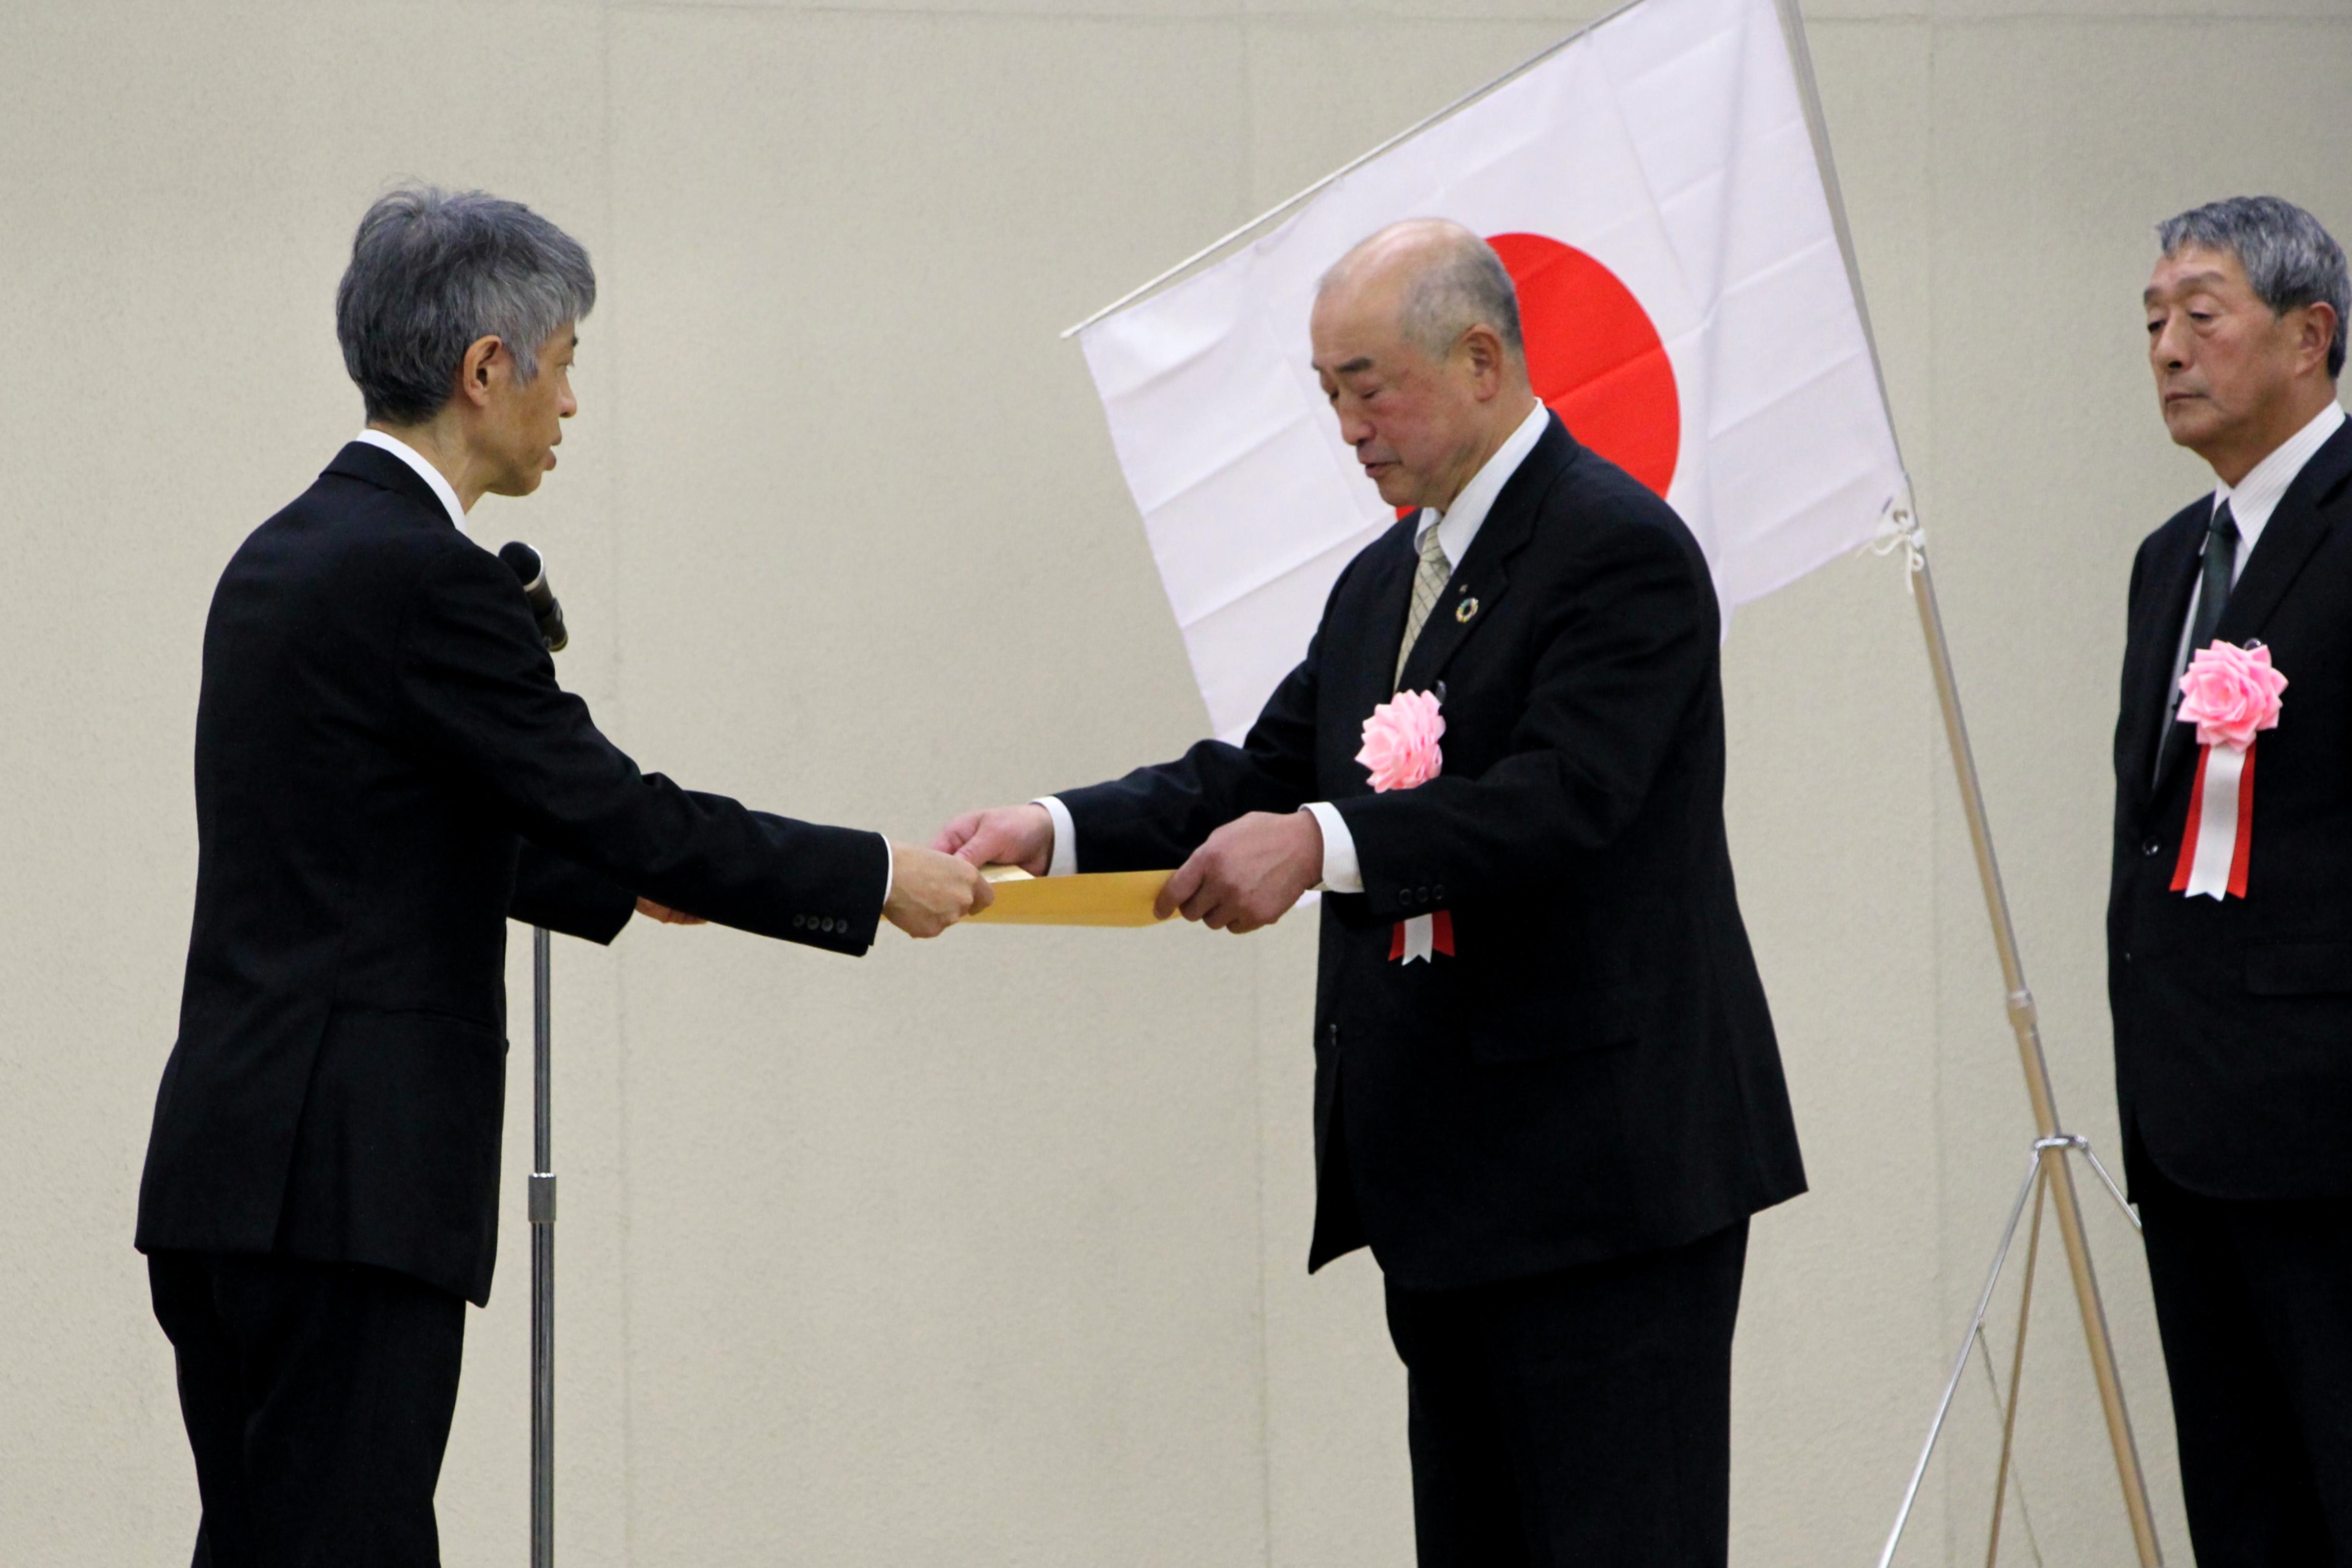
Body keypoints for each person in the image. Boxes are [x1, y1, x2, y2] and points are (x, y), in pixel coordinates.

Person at [134, 185, 991, 1566]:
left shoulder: (279, 557)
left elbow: (369, 822)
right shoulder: (431, 579)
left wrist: (605, 881)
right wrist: (871, 875)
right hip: (357, 1185)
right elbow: (618, 802)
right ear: (488, 370)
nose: (572, 402)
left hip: (227, 1170)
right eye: (567, 360)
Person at [938, 220, 1803, 1566]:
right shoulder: (1382, 584)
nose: (1348, 424)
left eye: (1368, 384)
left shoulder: (1617, 549)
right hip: (1450, 1187)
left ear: (1480, 359)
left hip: (1603, 1183)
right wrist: (1049, 831)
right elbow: (1257, 772)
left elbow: (1567, 796)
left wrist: (1323, 844)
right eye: (1327, 391)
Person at [2113, 195, 2352, 1563]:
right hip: (2189, 1127)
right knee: (2244, 1508)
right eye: (2151, 321)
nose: (2165, 349)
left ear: (2310, 335)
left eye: (2201, 315)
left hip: (2327, 1130)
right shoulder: (2172, 563)